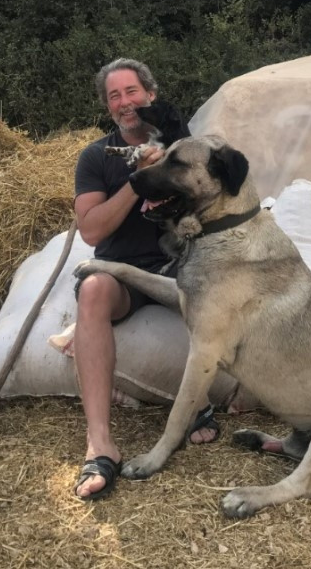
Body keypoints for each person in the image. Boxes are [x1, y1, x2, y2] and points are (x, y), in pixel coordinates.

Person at [73, 58, 219, 502]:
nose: (124, 103)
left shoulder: (187, 147)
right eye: (114, 96)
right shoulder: (97, 157)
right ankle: (100, 444)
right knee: (93, 288)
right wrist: (138, 182)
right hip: (125, 275)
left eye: (131, 92)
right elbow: (92, 230)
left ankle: (202, 401)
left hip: (182, 265)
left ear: (150, 95)